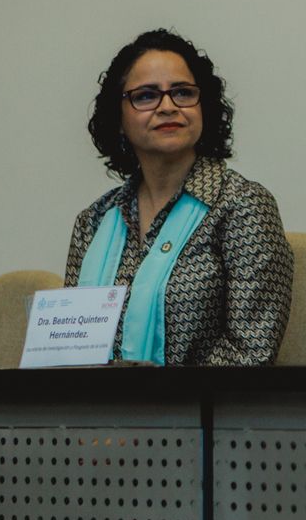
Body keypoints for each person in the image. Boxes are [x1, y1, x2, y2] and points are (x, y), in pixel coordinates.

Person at [63, 29, 293, 365]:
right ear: (119, 118)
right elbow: (68, 349)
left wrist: (153, 403)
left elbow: (250, 352)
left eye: (183, 93)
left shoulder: (242, 206)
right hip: (99, 413)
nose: (168, 107)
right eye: (146, 96)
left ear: (206, 108)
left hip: (203, 413)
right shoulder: (93, 221)